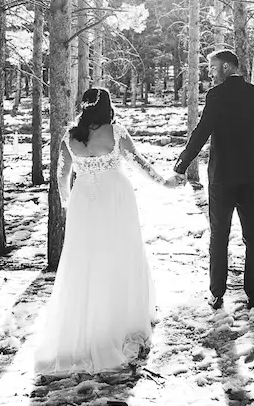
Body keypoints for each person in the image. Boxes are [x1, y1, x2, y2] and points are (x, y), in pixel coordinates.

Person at [34, 87, 166, 376]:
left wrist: (69, 203)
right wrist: (163, 181)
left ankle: (89, 320)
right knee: (120, 254)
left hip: (84, 200)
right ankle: (121, 318)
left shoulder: (71, 136)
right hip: (116, 197)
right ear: (107, 106)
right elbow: (140, 162)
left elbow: (61, 175)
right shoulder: (116, 131)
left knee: (85, 260)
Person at [167, 49, 254, 311]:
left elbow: (202, 132)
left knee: (219, 236)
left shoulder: (217, 96)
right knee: (253, 236)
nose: (210, 73)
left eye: (213, 68)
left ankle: (216, 293)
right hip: (251, 176)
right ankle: (252, 293)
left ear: (226, 67)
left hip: (222, 177)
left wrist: (181, 164)